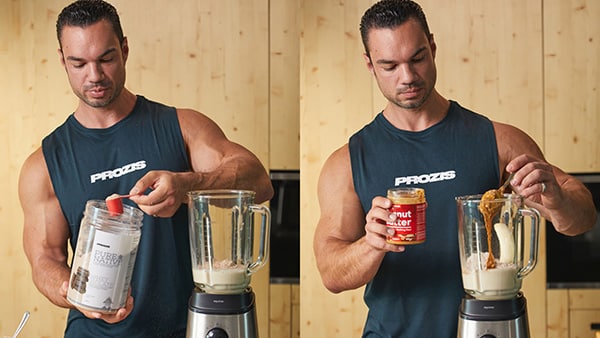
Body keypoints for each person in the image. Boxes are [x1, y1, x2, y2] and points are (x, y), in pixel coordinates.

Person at [313, 0, 597, 337]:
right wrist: (370, 245)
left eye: (417, 58)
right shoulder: (347, 161)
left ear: (432, 47)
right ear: (369, 65)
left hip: (492, 329)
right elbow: (331, 273)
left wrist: (557, 199)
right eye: (389, 66)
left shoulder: (498, 140)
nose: (407, 76)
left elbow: (583, 218)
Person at [18, 0, 273, 337]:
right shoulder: (45, 164)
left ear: (124, 49)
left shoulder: (179, 126)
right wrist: (74, 291)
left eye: (106, 59)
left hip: (184, 328)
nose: (94, 75)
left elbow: (258, 179)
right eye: (78, 63)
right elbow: (45, 261)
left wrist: (189, 185)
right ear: (63, 61)